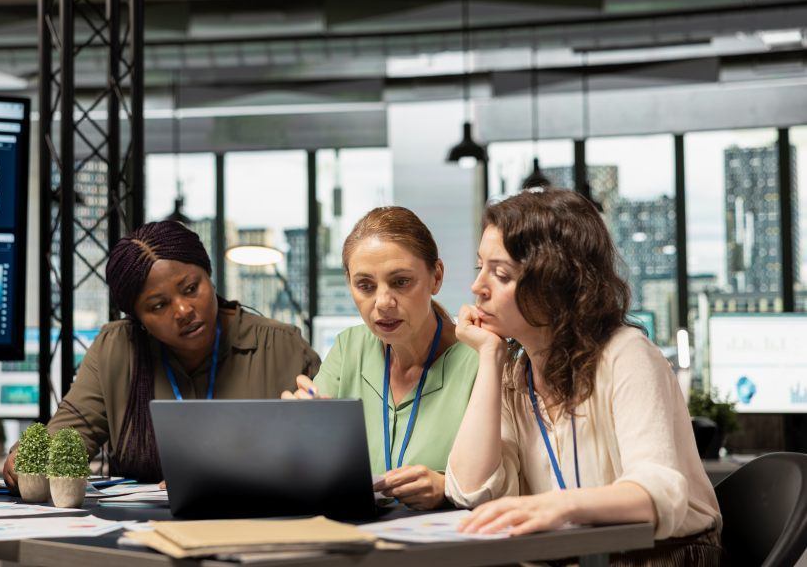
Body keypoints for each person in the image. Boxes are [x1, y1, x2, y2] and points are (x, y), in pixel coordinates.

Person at [448, 188, 722, 564]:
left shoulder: (625, 354)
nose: (477, 287)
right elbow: (470, 490)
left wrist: (560, 507)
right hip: (572, 556)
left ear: (554, 282)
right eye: (480, 267)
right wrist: (490, 356)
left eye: (501, 274)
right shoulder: (517, 373)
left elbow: (660, 491)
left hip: (656, 556)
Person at [4, 220, 320, 486]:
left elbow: (334, 453)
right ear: (138, 319)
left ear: (208, 276)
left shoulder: (281, 346)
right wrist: (25, 462)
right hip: (137, 540)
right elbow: (64, 441)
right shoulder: (116, 351)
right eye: (158, 306)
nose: (183, 310)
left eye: (191, 288)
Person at [283, 206, 478, 510]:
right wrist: (298, 426)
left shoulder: (479, 360)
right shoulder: (349, 347)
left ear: (436, 277)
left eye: (401, 282)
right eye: (366, 286)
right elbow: (310, 464)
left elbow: (507, 480)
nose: (383, 303)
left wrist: (447, 487)